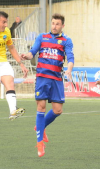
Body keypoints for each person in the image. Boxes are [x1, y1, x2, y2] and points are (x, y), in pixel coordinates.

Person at [21, 14, 74, 157]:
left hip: (56, 79)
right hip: (42, 78)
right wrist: (27, 55)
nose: (54, 26)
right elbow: (33, 52)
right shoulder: (42, 37)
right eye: (53, 23)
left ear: (62, 26)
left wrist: (69, 69)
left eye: (57, 24)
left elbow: (70, 57)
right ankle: (39, 143)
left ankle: (40, 126)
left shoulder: (66, 40)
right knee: (41, 107)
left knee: (58, 110)